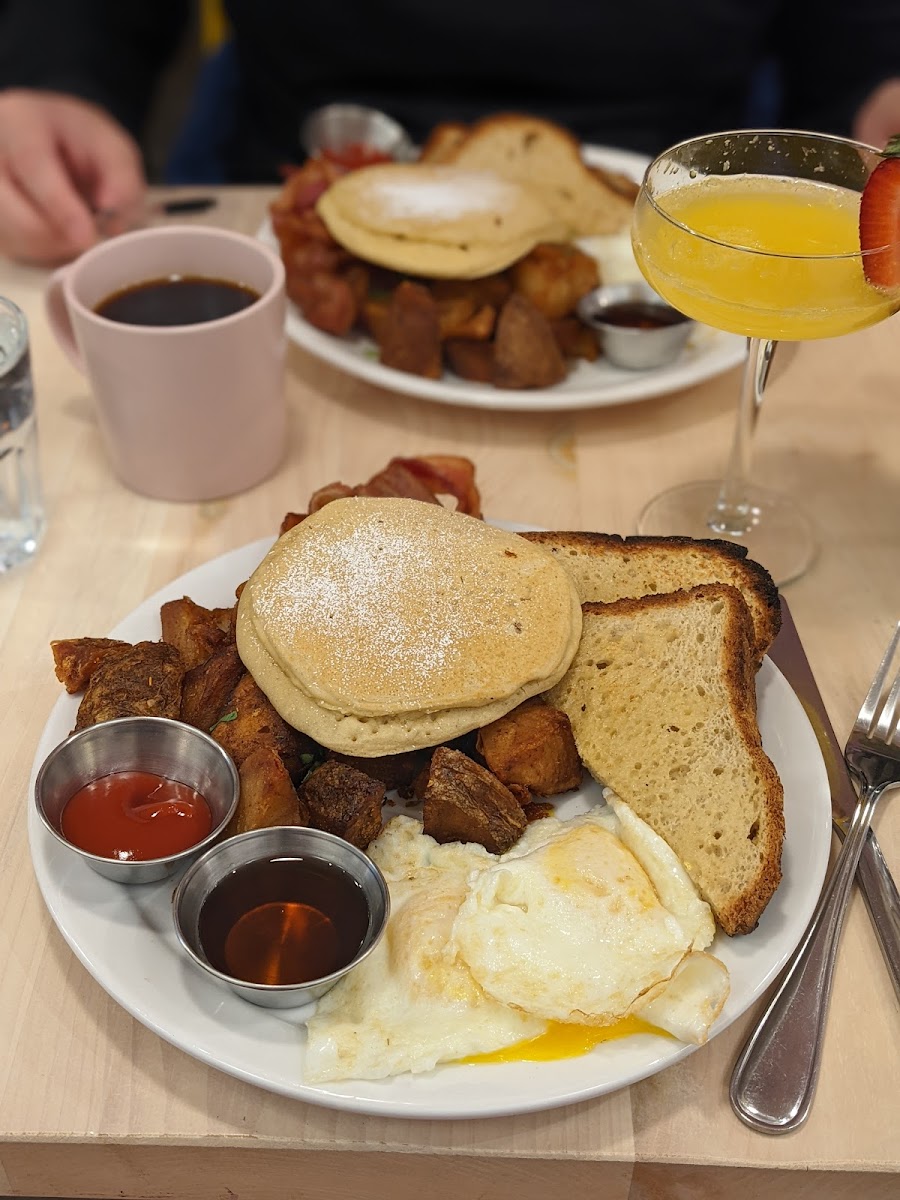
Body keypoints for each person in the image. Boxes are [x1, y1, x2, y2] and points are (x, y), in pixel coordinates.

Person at [0, 0, 899, 265]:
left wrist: (879, 87)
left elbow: (850, 32)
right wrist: (52, 75)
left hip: (696, 213)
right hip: (301, 168)